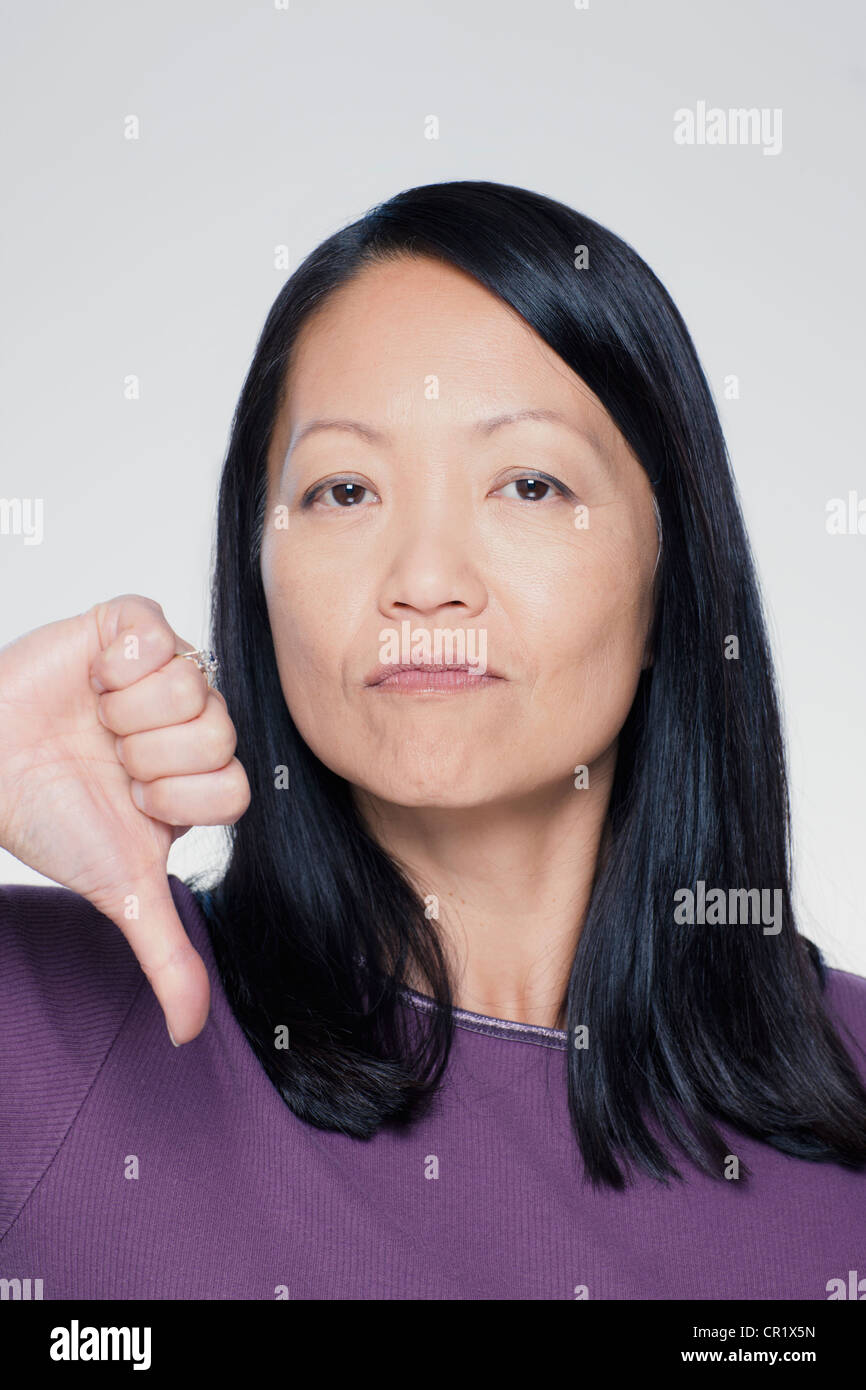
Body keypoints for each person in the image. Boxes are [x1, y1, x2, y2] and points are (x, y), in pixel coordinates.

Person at [1, 180, 864, 1301]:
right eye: (344, 489)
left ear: (672, 581)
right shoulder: (44, 1031)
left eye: (528, 483)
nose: (422, 581)